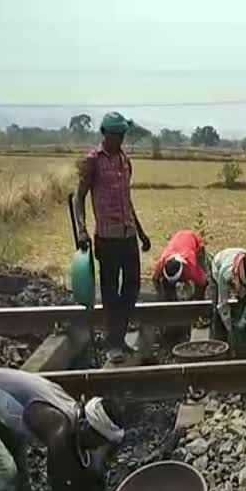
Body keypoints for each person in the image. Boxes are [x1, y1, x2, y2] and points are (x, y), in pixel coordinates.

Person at [0, 368, 125, 491]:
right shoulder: (59, 432)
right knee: (4, 473)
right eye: (99, 441)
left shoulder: (74, 414)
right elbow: (60, 490)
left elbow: (84, 473)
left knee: (20, 466)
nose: (98, 447)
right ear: (85, 426)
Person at [74, 112, 151, 363]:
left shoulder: (124, 161)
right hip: (107, 238)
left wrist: (141, 232)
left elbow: (127, 201)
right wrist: (82, 230)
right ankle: (114, 343)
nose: (120, 139)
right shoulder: (93, 161)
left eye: (123, 135)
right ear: (106, 134)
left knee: (132, 287)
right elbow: (79, 198)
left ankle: (118, 338)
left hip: (128, 235)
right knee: (110, 292)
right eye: (117, 135)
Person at [209, 248, 246, 353]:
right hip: (218, 266)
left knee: (245, 304)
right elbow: (222, 304)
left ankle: (243, 345)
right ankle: (218, 344)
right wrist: (228, 326)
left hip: (239, 275)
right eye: (244, 285)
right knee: (217, 311)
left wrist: (242, 321)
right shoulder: (225, 273)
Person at [152, 230, 209, 301]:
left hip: (195, 242)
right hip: (178, 239)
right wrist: (162, 297)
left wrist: (197, 299)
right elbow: (155, 279)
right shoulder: (163, 261)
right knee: (166, 287)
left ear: (182, 274)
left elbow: (204, 283)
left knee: (199, 290)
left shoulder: (192, 268)